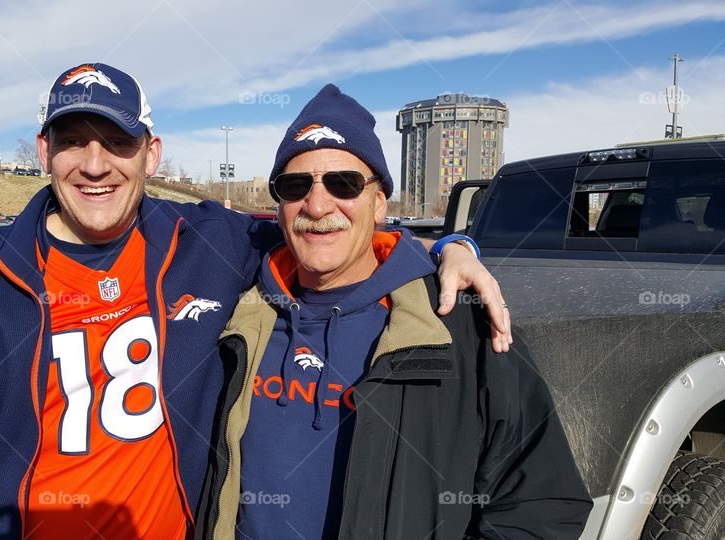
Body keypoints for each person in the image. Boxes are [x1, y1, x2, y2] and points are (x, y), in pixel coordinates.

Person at [0, 63, 511, 540]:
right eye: (72, 140)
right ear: (43, 151)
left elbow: (326, 230)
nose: (93, 163)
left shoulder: (208, 242)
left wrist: (445, 249)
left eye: (116, 142)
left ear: (151, 154)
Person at [196, 85, 592, 539]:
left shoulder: (457, 323)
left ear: (380, 202)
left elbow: (541, 502)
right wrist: (451, 242)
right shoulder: (239, 314)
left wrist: (453, 248)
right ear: (280, 206)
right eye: (295, 185)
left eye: (343, 184)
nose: (318, 204)